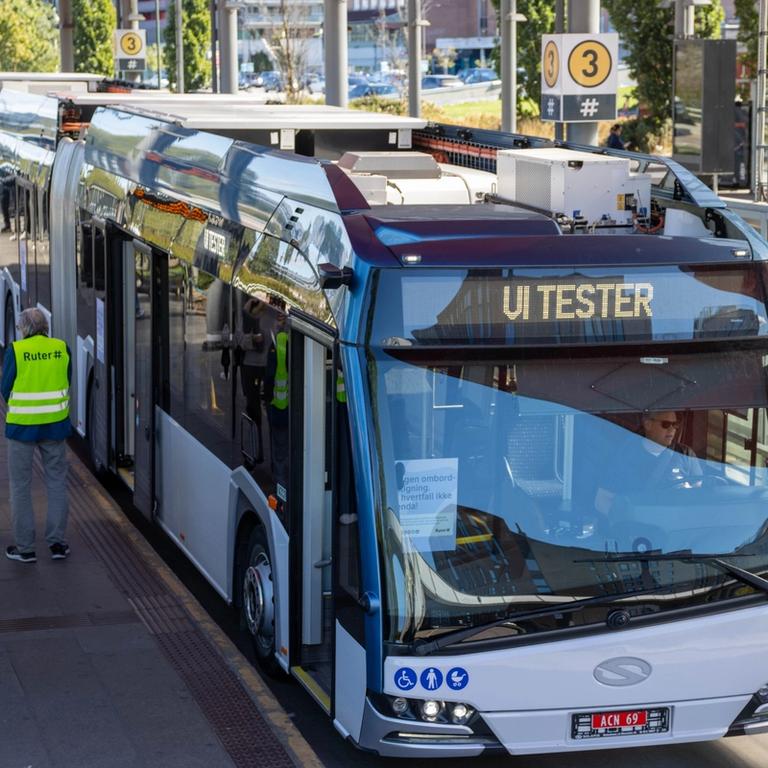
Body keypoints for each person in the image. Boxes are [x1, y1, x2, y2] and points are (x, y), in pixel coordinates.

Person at [2, 308, 72, 562]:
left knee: (20, 486)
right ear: (45, 327)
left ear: (24, 329)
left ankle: (25, 548)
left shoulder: (16, 351)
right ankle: (57, 544)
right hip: (55, 426)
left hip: (22, 428)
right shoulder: (61, 348)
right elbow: (67, 380)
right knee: (56, 482)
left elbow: (5, 387)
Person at [595, 410, 702, 515]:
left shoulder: (685, 454)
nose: (672, 429)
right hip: (640, 527)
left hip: (676, 525)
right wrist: (625, 522)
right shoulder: (624, 455)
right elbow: (602, 501)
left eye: (675, 424)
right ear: (648, 424)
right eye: (666, 424)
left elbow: (701, 494)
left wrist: (688, 492)